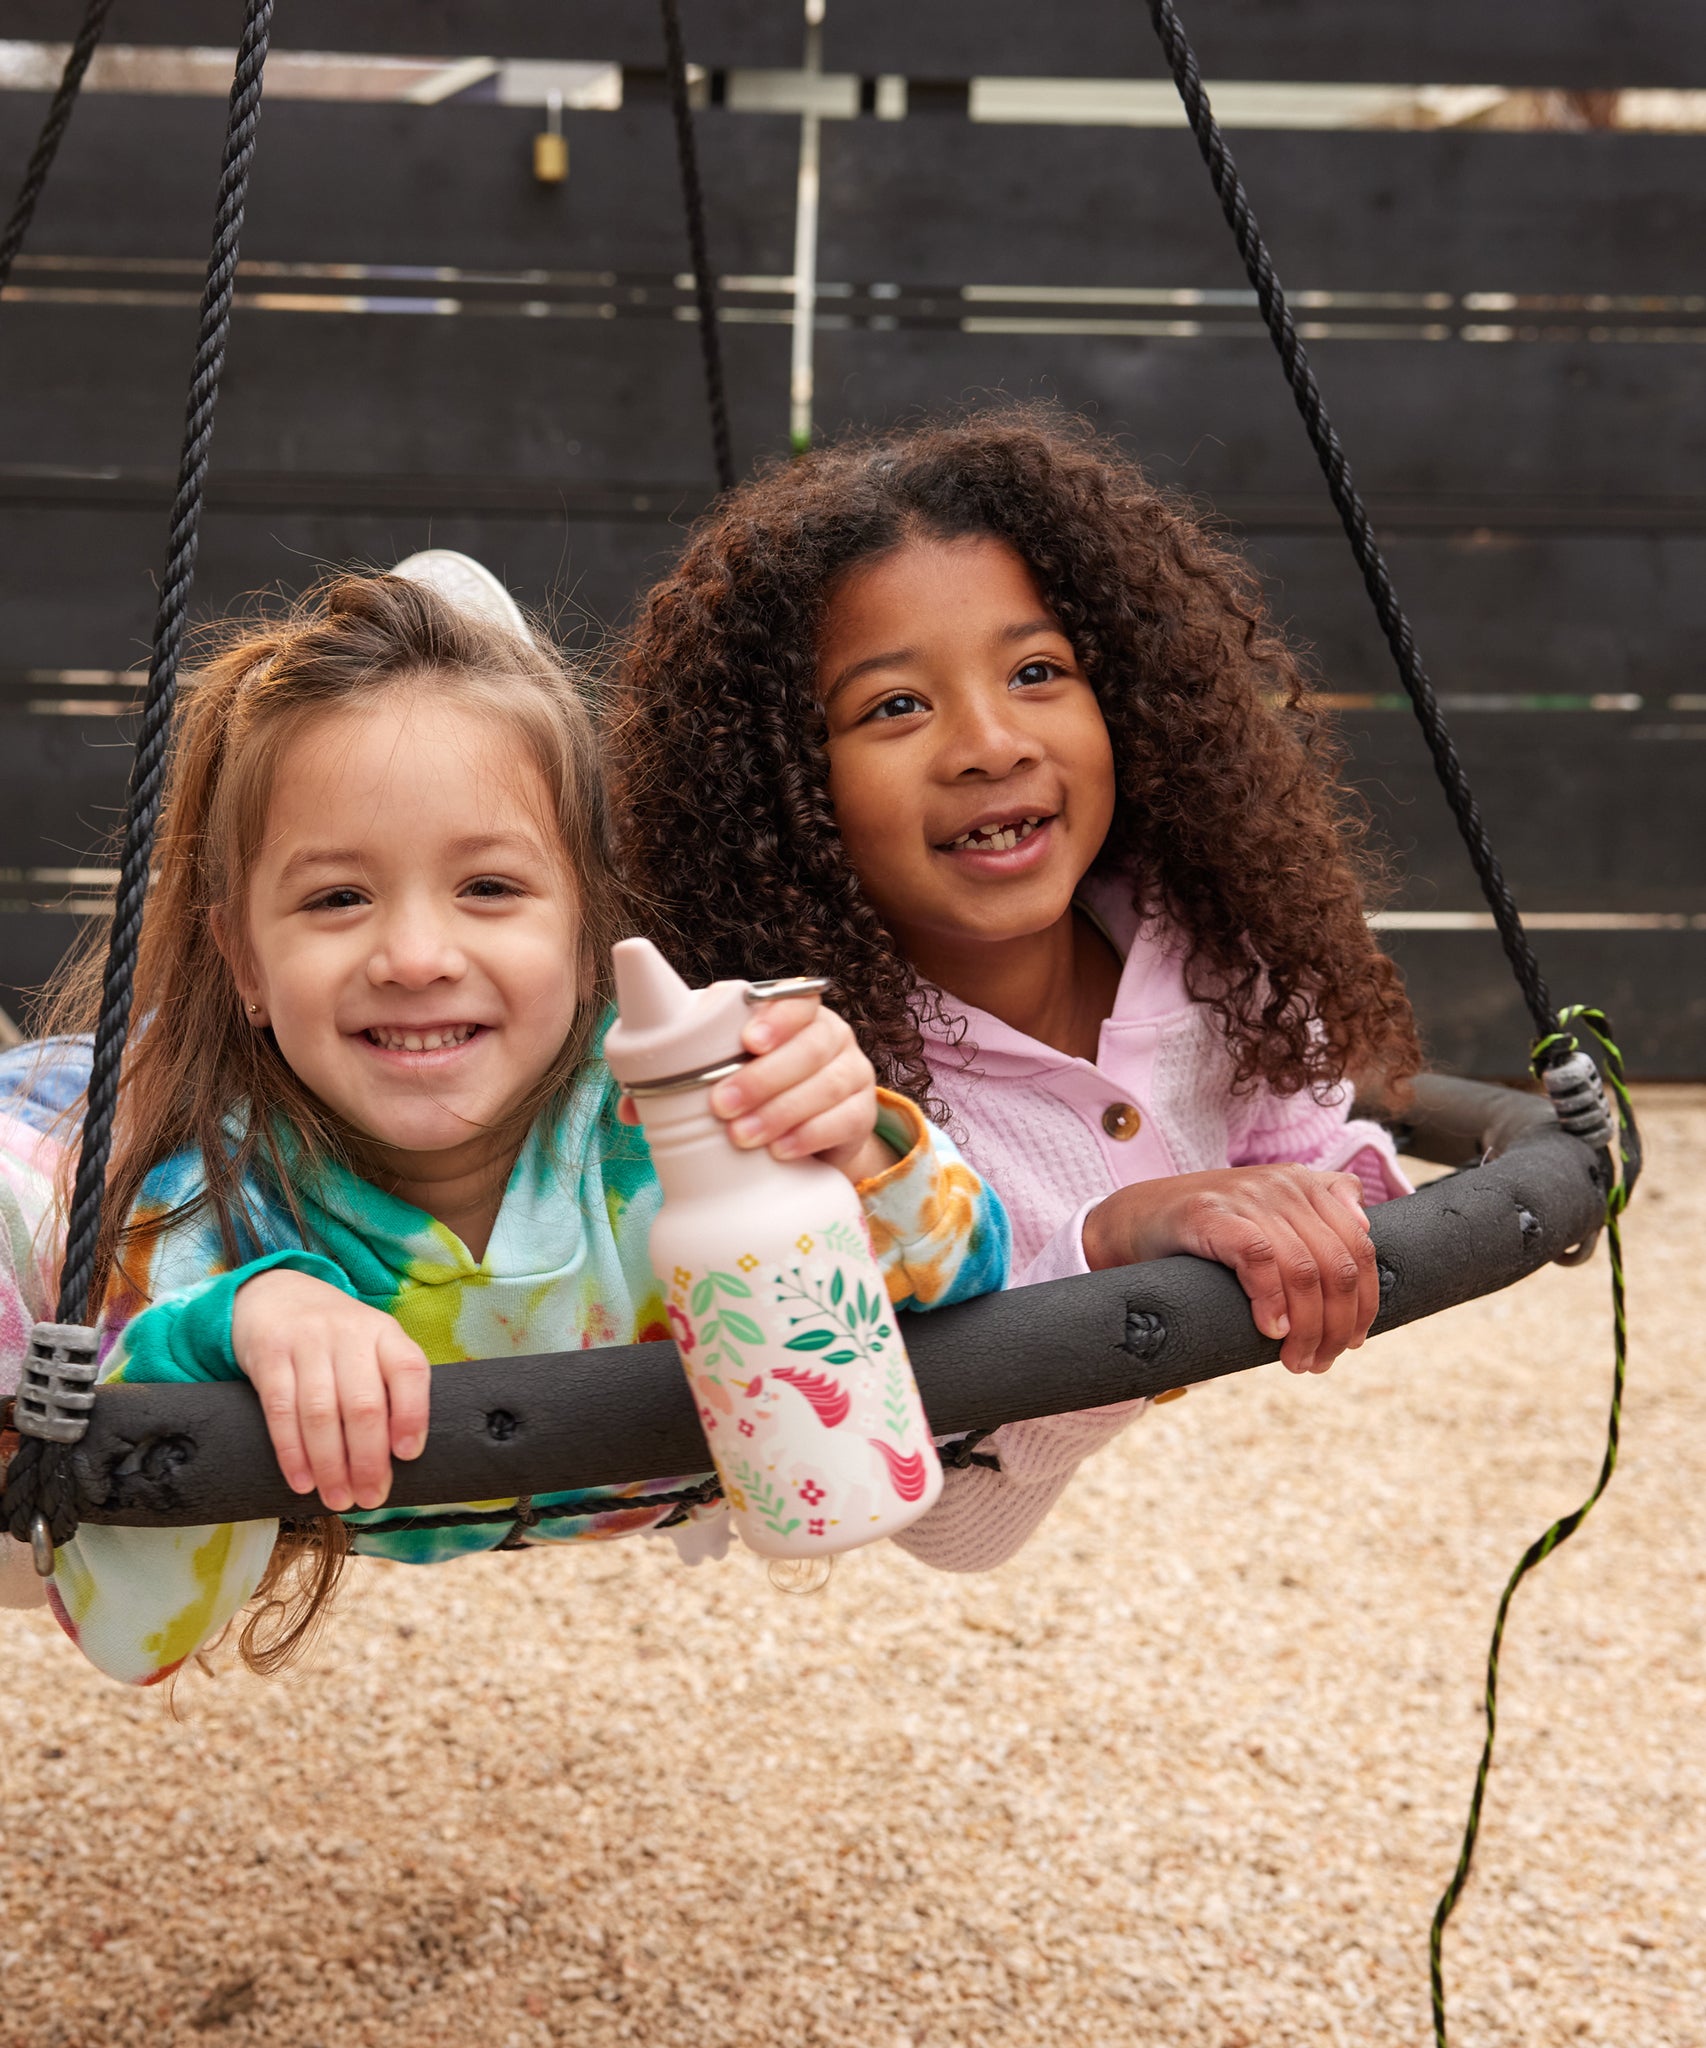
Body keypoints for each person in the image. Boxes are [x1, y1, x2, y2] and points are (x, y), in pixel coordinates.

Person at [0, 564, 1007, 1685]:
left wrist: (855, 1144)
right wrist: (228, 1327)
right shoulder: (206, 1200)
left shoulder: (672, 1127)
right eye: (337, 898)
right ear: (243, 959)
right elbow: (134, 1625)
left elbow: (973, 1282)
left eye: (487, 887)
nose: (416, 956)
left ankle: (445, 616)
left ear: (586, 926)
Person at [611, 408, 1424, 1571]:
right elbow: (941, 1497)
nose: (989, 743)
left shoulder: (1211, 945)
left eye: (1037, 671)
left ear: (1124, 698)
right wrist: (1111, 1236)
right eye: (895, 705)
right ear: (782, 789)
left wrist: (1340, 1213)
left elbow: (1306, 1150)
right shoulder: (822, 1078)